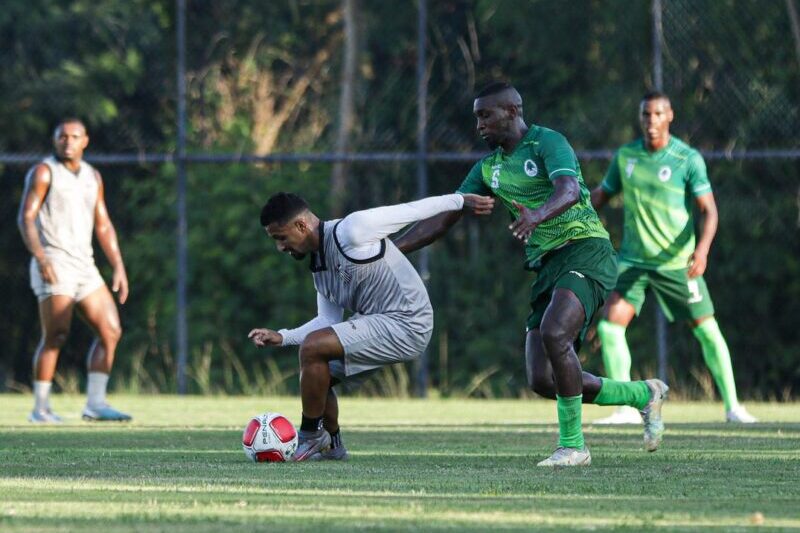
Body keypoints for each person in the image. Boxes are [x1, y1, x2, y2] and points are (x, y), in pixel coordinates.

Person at [394, 81, 668, 467]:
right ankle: (643, 394)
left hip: (586, 249)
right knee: (542, 379)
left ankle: (573, 446)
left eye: (485, 115)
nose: (479, 125)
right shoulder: (488, 169)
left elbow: (569, 189)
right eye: (476, 117)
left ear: (512, 110)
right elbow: (445, 217)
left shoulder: (547, 142)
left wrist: (537, 214)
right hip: (548, 266)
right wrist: (392, 249)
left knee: (557, 333)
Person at [248, 191, 488, 461]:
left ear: (301, 226)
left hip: (409, 320)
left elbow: (411, 209)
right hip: (380, 322)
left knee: (313, 348)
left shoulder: (351, 231)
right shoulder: (319, 266)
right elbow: (327, 321)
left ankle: (310, 437)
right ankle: (332, 446)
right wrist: (283, 337)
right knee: (315, 374)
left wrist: (459, 200)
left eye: (280, 238)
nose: (280, 247)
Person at [591, 91, 756, 424]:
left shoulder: (687, 158)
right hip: (634, 263)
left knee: (707, 330)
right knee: (610, 327)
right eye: (645, 115)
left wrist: (703, 251)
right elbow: (601, 197)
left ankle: (733, 407)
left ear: (670, 116)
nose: (651, 121)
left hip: (677, 264)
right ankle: (626, 408)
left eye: (657, 114)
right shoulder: (626, 157)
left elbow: (709, 211)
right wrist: (565, 214)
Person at [17, 118, 131, 423]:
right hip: (54, 262)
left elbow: (103, 224)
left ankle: (95, 404)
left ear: (85, 141)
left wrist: (118, 265)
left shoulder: (93, 176)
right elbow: (26, 218)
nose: (67, 141)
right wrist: (41, 259)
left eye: (74, 136)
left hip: (85, 266)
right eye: (62, 136)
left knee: (110, 330)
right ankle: (40, 409)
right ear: (55, 140)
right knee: (55, 334)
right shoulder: (43, 172)